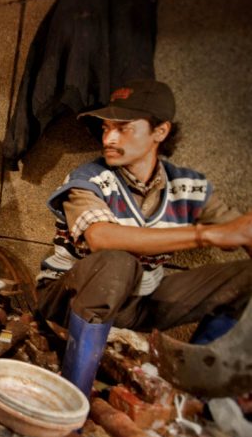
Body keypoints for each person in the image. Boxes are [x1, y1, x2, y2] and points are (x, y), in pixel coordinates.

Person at [36, 79, 252, 394]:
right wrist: (206, 234)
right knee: (118, 262)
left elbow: (241, 231)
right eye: (107, 127)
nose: (108, 137)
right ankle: (72, 395)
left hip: (140, 303)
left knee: (247, 277)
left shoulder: (186, 186)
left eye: (123, 128)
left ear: (160, 132)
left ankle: (208, 381)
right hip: (67, 300)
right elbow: (101, 238)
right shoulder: (89, 179)